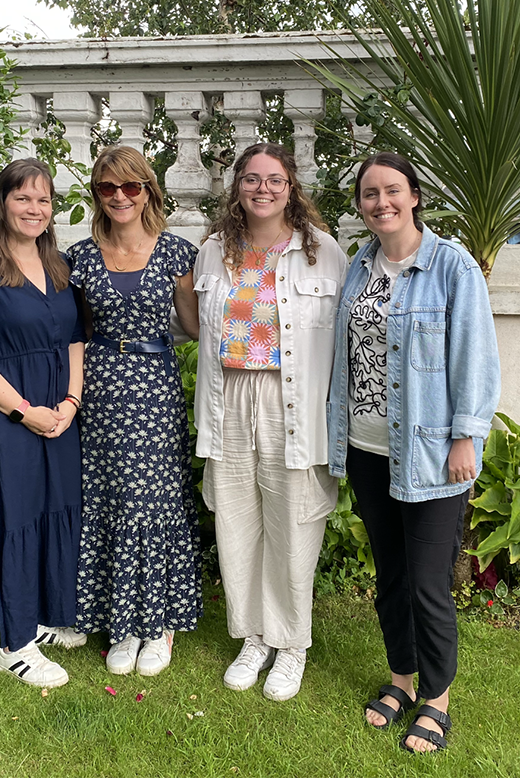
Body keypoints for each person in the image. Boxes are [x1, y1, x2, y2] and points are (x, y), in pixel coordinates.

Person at [327, 152, 501, 753]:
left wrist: (465, 436)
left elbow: (475, 358)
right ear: (360, 205)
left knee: (428, 583)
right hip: (370, 447)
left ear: (415, 196)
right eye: (370, 194)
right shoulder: (360, 268)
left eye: (392, 191)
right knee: (392, 579)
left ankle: (437, 698)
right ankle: (400, 679)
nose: (382, 203)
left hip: (430, 453)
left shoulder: (453, 267)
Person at [193, 142, 347, 701]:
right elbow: (198, 327)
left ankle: (291, 646)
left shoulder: (322, 252)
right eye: (252, 179)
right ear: (237, 187)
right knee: (236, 523)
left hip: (294, 404)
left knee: (294, 522)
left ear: (291, 186)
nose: (262, 189)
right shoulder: (213, 252)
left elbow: (344, 343)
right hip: (229, 397)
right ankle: (253, 637)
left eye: (274, 180)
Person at [0, 158, 87, 688]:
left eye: (44, 200)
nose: (35, 209)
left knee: (56, 511)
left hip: (60, 412)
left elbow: (75, 339)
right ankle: (14, 644)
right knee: (15, 519)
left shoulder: (60, 269)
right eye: (23, 198)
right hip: (7, 418)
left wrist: (71, 403)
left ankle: (45, 619)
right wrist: (23, 412)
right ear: (2, 203)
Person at [67, 145, 202, 677]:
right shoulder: (78, 255)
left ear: (148, 190)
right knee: (107, 495)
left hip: (153, 387)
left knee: (152, 498)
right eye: (107, 188)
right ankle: (119, 623)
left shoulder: (175, 253)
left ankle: (159, 624)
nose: (120, 197)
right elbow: (76, 330)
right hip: (100, 386)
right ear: (97, 195)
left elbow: (193, 327)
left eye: (131, 187)